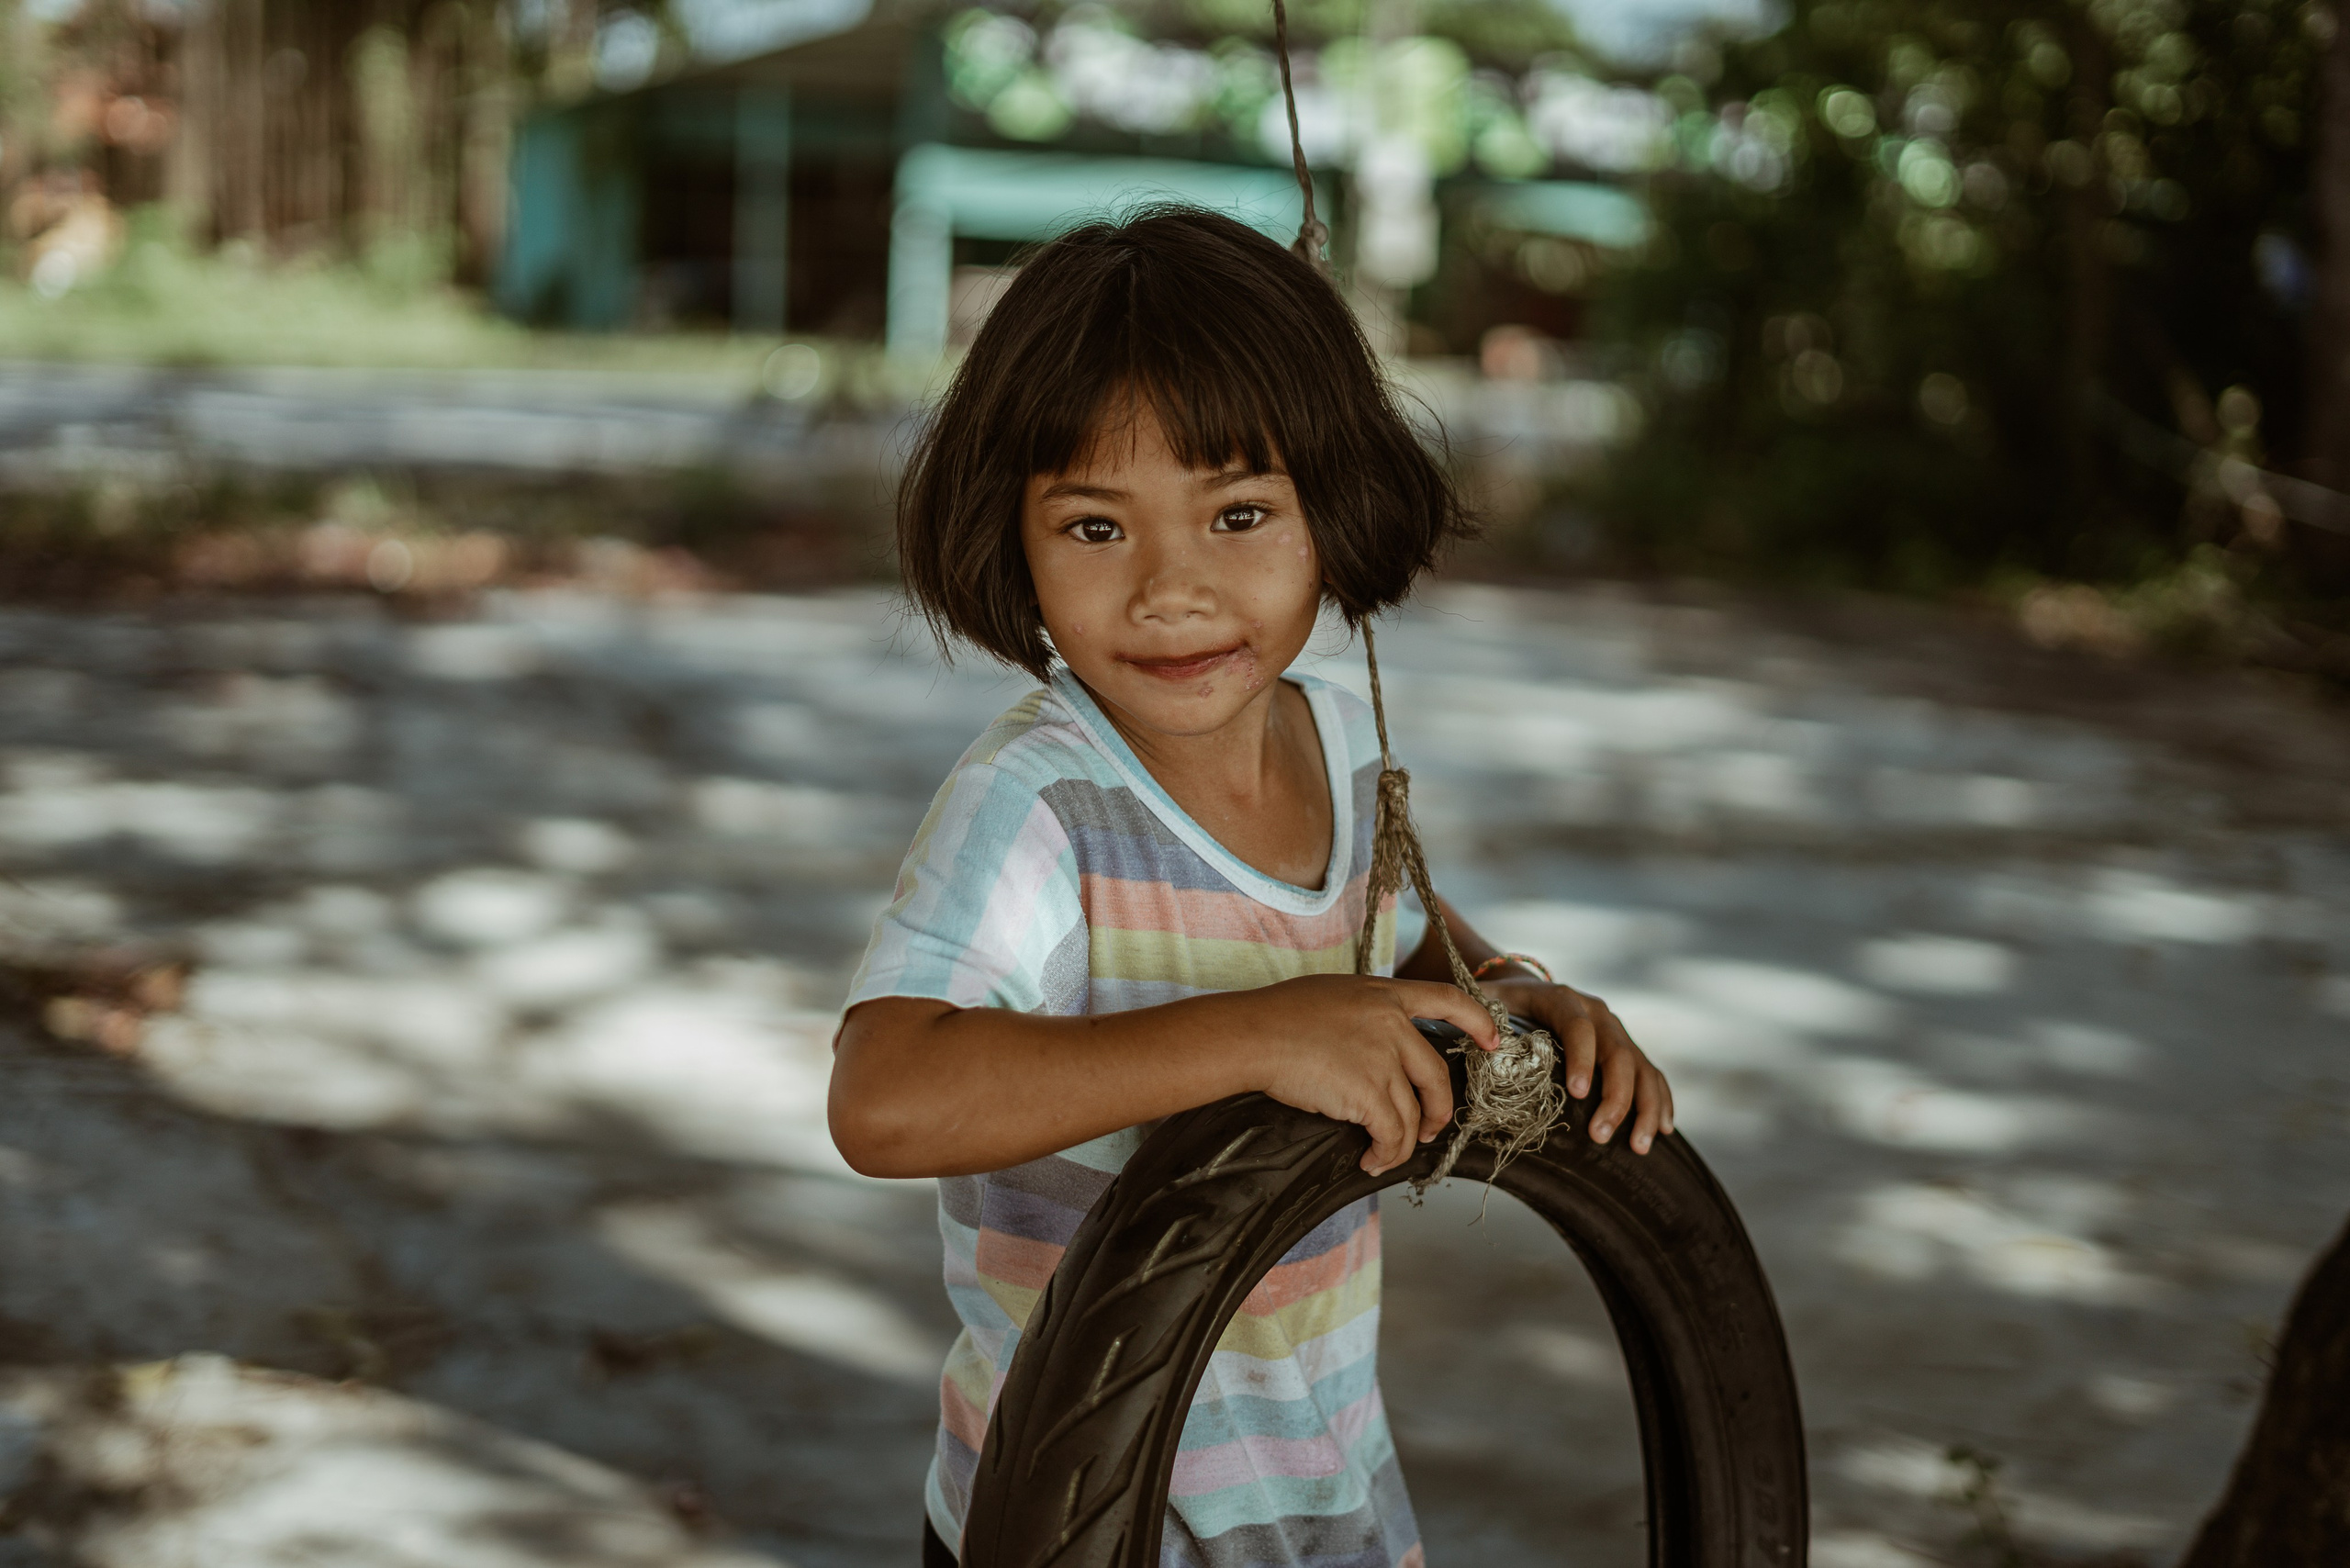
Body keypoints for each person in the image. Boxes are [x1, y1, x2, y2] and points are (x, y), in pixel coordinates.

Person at [828, 206, 1675, 1568]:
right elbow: (885, 1098)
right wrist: (1259, 1034)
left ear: (1332, 507)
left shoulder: (1338, 742)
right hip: (1078, 1517)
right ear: (1011, 538)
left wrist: (1515, 996)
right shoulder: (1042, 804)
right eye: (1094, 526)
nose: (1172, 589)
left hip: (1324, 1492)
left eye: (1239, 514)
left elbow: (1405, 942)